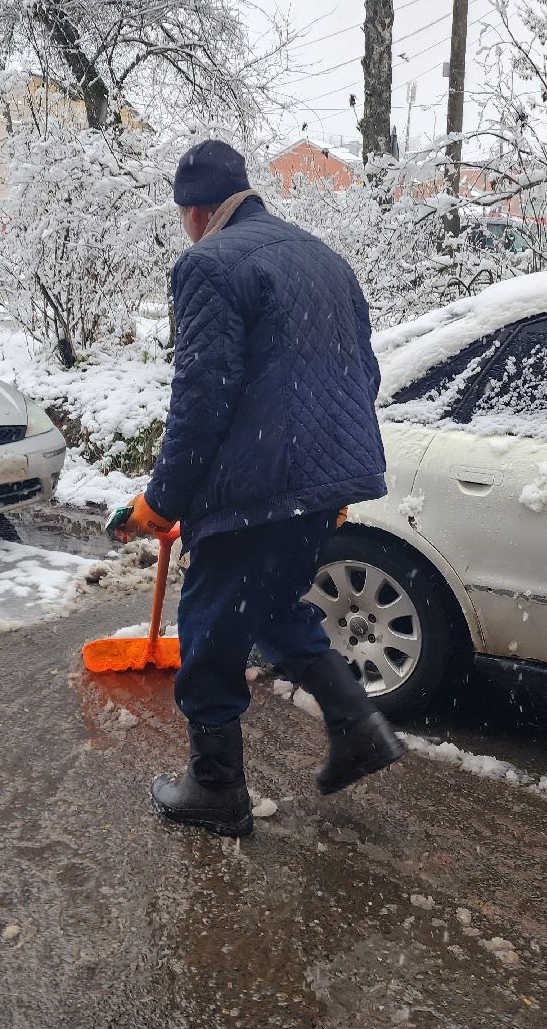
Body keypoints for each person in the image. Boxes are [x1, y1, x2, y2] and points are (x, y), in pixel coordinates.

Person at [115, 139, 404, 837]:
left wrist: (164, 500)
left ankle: (215, 790)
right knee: (274, 610)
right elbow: (360, 375)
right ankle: (358, 729)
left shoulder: (207, 264)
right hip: (319, 478)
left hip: (255, 487)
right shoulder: (322, 258)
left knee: (212, 627)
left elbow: (202, 397)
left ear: (195, 211)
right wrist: (328, 478)